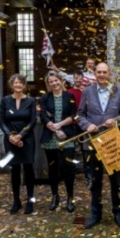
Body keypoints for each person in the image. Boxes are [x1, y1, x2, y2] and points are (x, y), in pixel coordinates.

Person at [77, 62, 120, 228]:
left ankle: (118, 212)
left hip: (112, 143)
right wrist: (87, 125)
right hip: (93, 143)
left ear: (109, 74)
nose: (101, 75)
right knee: (95, 181)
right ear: (95, 73)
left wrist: (116, 121)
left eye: (104, 72)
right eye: (98, 72)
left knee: (116, 181)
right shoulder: (87, 91)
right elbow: (79, 115)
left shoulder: (119, 92)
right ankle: (95, 213)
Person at [0, 74, 37, 214]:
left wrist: (21, 135)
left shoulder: (31, 101)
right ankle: (16, 201)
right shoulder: (5, 100)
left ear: (24, 85)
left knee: (28, 170)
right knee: (14, 170)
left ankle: (30, 200)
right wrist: (10, 135)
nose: (18, 85)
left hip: (27, 139)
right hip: (10, 140)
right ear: (11, 85)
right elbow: (1, 121)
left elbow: (33, 121)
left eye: (20, 83)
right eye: (15, 83)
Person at [39, 71, 77, 213]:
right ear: (48, 84)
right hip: (51, 136)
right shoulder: (45, 98)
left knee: (68, 167)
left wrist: (60, 125)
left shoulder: (70, 96)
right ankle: (55, 195)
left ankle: (70, 197)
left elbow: (74, 115)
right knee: (53, 168)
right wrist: (55, 129)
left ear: (61, 81)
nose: (54, 83)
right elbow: (42, 115)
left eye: (56, 81)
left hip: (67, 136)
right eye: (51, 82)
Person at [66, 69, 91, 185]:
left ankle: (88, 174)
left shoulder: (87, 91)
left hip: (84, 124)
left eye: (80, 78)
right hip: (72, 124)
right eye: (76, 78)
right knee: (71, 150)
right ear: (73, 79)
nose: (78, 80)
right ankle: (72, 174)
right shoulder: (68, 92)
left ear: (83, 79)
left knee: (86, 149)